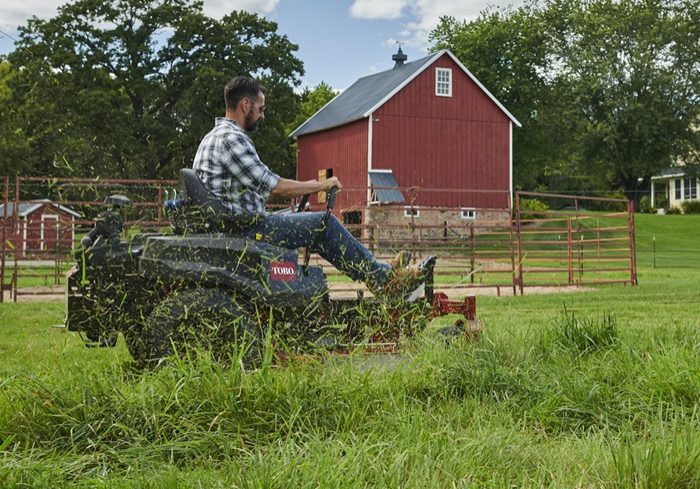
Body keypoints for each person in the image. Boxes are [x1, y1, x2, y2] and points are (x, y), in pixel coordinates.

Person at [192, 76, 424, 298]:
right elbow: (274, 186)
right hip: (245, 229)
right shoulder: (231, 139)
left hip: (234, 224)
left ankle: (378, 273)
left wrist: (309, 186)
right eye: (260, 109)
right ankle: (385, 280)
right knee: (323, 224)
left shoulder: (212, 137)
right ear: (245, 105)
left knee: (300, 217)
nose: (262, 115)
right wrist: (319, 185)